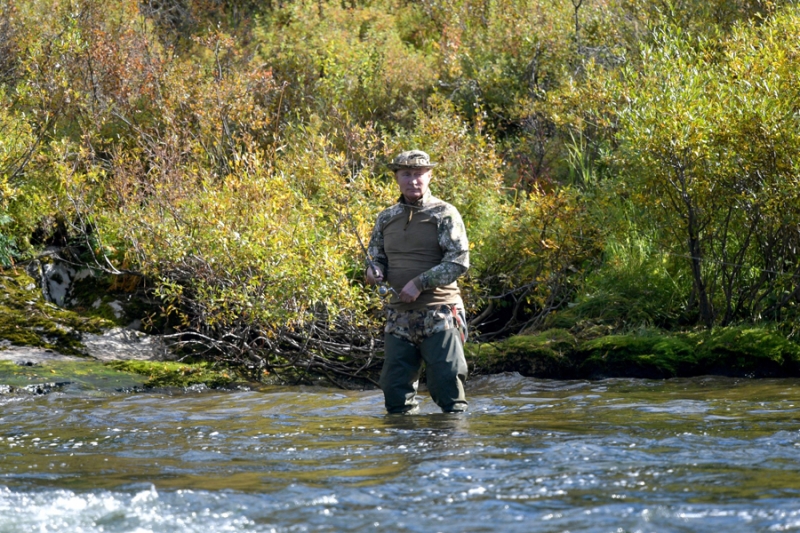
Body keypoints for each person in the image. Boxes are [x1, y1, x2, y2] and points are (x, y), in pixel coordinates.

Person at [366, 149, 470, 414]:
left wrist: (420, 283)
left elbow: (458, 261)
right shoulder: (386, 217)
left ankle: (450, 450)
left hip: (441, 313)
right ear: (397, 178)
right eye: (406, 174)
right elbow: (376, 258)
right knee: (395, 393)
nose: (413, 180)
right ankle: (407, 449)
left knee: (449, 389)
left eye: (419, 174)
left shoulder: (444, 213)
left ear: (430, 176)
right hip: (398, 317)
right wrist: (374, 270)